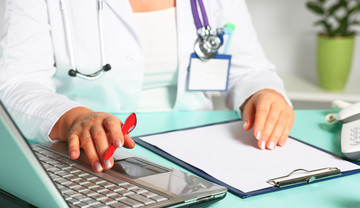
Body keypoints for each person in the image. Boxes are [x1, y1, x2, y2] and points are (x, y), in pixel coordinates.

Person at [0, 0, 294, 173]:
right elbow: (16, 83)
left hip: (201, 162)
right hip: (90, 161)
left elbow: (249, 69)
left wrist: (263, 93)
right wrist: (71, 118)